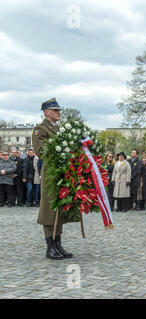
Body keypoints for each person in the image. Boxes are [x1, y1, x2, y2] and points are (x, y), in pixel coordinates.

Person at [32, 98, 75, 260]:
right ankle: (50, 246)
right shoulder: (40, 129)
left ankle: (58, 244)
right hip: (51, 173)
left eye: (59, 110)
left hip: (63, 172)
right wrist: (62, 145)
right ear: (46, 112)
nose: (59, 112)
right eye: (55, 110)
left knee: (61, 208)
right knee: (49, 209)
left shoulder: (60, 129)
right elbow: (41, 150)